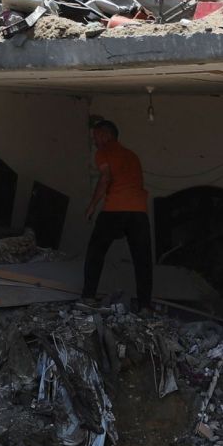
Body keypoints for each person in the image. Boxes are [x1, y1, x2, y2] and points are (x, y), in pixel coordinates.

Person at [83, 118, 152, 308]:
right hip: (139, 212)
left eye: (96, 136)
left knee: (95, 252)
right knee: (142, 260)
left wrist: (92, 205)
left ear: (106, 135)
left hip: (114, 209)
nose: (94, 141)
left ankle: (88, 296)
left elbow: (105, 179)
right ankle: (145, 306)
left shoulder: (104, 151)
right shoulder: (132, 156)